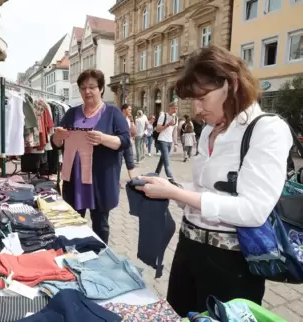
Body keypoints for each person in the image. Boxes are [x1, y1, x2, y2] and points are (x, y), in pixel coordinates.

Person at [135, 45, 293, 316]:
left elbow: (253, 210)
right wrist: (168, 188)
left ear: (230, 85)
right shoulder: (210, 128)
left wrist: (176, 194)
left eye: (202, 98)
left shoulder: (267, 129)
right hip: (189, 248)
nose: (196, 110)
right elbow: (205, 189)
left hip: (232, 263)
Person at [51, 69, 131, 244]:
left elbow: (125, 141)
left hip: (100, 180)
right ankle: (73, 255)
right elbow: (56, 144)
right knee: (72, 222)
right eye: (83, 87)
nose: (87, 91)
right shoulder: (71, 113)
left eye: (92, 87)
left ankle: (100, 256)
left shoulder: (113, 113)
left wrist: (103, 138)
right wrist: (56, 137)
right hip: (75, 180)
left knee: (100, 225)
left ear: (101, 89)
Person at [155, 99, 178, 183]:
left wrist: (175, 143)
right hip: (162, 140)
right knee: (167, 160)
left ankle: (156, 173)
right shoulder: (163, 116)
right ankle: (171, 179)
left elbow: (175, 131)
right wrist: (168, 124)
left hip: (170, 141)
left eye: (176, 108)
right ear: (169, 108)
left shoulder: (176, 118)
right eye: (173, 108)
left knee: (163, 159)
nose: (175, 110)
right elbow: (158, 129)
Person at [120, 104, 136, 181]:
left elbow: (133, 132)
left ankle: (133, 181)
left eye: (130, 109)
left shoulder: (129, 119)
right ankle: (116, 181)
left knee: (130, 162)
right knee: (118, 163)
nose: (130, 111)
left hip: (128, 143)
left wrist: (132, 121)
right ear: (123, 110)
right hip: (119, 143)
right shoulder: (118, 118)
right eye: (129, 109)